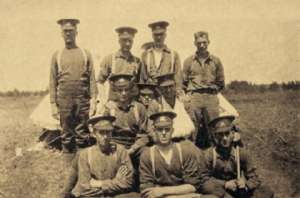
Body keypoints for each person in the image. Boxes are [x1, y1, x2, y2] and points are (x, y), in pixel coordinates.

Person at [139, 111, 217, 198]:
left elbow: (193, 186)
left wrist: (163, 191)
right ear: (154, 131)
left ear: (172, 130)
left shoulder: (184, 151)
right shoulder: (147, 155)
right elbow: (147, 192)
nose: (164, 133)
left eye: (167, 129)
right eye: (160, 130)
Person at [49, 18, 98, 153]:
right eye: (65, 31)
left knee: (82, 132)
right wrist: (53, 104)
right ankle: (68, 163)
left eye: (71, 31)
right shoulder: (57, 55)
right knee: (66, 133)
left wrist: (94, 99)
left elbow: (92, 79)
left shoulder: (85, 53)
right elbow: (52, 81)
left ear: (76, 32)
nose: (68, 34)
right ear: (61, 33)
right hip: (64, 100)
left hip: (82, 99)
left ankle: (84, 164)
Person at [202, 115, 274, 198]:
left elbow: (255, 178)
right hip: (220, 192)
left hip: (238, 191)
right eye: (220, 134)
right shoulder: (209, 155)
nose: (224, 138)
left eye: (227, 133)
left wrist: (246, 185)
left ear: (233, 134)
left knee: (266, 191)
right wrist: (225, 184)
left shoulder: (241, 153)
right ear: (215, 137)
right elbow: (203, 180)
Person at [68, 114, 136, 198]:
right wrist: (115, 181)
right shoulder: (85, 154)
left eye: (108, 132)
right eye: (101, 132)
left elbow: (128, 182)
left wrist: (99, 183)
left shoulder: (120, 151)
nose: (105, 136)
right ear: (94, 134)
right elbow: (85, 186)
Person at [182, 31, 225, 147]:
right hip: (195, 97)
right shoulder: (188, 61)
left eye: (204, 42)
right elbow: (183, 82)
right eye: (199, 42)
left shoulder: (216, 61)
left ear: (208, 43)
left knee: (214, 127)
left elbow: (221, 82)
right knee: (192, 128)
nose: (202, 45)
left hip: (211, 97)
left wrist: (211, 91)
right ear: (195, 43)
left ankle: (216, 156)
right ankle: (191, 156)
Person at [97, 26, 142, 108]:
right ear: (119, 41)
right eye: (124, 40)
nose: (127, 44)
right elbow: (99, 82)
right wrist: (104, 102)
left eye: (130, 41)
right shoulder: (110, 59)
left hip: (132, 106)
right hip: (115, 105)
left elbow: (139, 84)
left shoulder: (137, 61)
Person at [140, 21, 184, 98]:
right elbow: (142, 78)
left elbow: (178, 77)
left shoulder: (173, 55)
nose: (158, 37)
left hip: (168, 94)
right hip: (151, 95)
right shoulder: (146, 55)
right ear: (152, 36)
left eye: (161, 34)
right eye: (156, 35)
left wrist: (179, 93)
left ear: (165, 35)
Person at [148, 73, 195, 140]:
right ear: (159, 89)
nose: (168, 90)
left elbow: (192, 122)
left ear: (175, 86)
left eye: (171, 86)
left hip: (184, 139)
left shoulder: (183, 102)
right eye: (165, 88)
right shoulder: (155, 104)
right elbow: (150, 127)